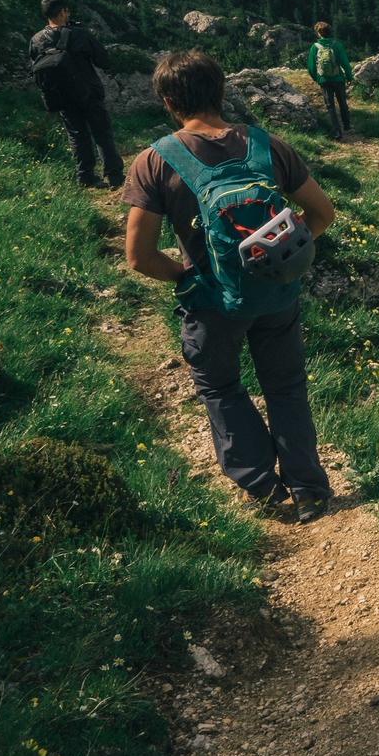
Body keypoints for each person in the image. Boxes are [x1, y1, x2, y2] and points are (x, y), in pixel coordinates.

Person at [121, 50, 339, 522]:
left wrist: (185, 277)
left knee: (219, 387)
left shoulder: (154, 161)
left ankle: (260, 483)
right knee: (286, 388)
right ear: (221, 90)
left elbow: (138, 257)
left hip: (210, 302)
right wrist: (279, 255)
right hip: (277, 295)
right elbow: (322, 214)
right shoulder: (267, 145)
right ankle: (308, 488)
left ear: (165, 100)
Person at [29, 0, 123, 189]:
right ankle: (114, 177)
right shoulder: (79, 34)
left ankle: (86, 177)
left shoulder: (37, 39)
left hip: (62, 97)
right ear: (63, 12)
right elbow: (104, 61)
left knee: (77, 135)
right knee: (102, 133)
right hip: (88, 92)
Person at [306, 21, 353, 140]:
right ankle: (347, 126)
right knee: (342, 102)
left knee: (330, 106)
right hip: (338, 79)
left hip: (324, 80)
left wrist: (317, 78)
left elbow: (311, 68)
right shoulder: (337, 45)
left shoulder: (315, 47)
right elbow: (345, 63)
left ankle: (337, 132)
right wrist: (349, 77)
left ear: (318, 33)